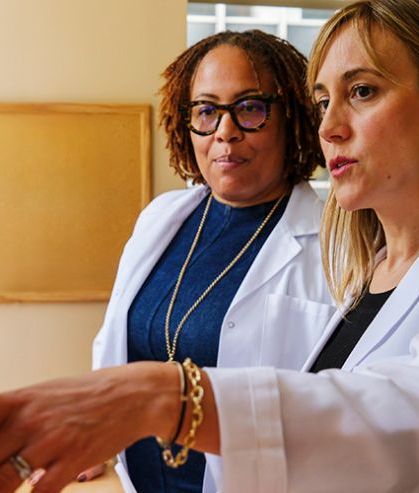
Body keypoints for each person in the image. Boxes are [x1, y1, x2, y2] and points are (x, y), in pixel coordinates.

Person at [0, 1, 419, 492]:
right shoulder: (367, 265)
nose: (333, 126)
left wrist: (168, 396)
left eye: (363, 91)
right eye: (324, 101)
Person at [84, 30, 329, 493]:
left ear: (291, 119)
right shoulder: (161, 219)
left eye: (251, 108)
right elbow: (115, 351)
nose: (225, 131)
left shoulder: (335, 248)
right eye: (207, 111)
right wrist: (96, 435)